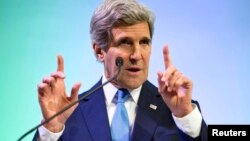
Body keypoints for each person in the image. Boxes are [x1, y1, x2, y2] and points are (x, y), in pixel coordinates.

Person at [34, 0, 208, 140]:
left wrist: (185, 116)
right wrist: (51, 129)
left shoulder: (177, 110)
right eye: (125, 42)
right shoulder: (70, 112)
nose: (137, 55)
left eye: (144, 42)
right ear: (99, 51)